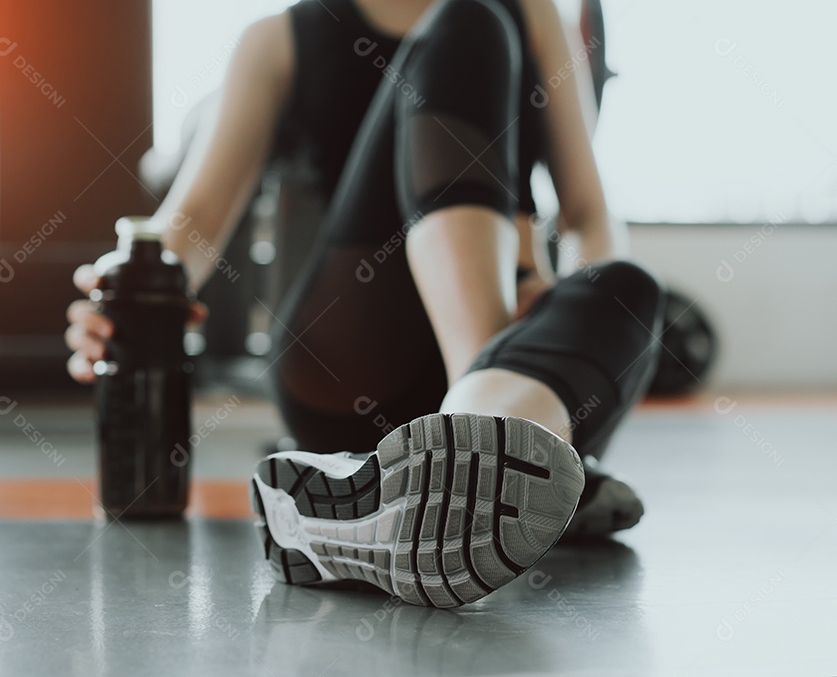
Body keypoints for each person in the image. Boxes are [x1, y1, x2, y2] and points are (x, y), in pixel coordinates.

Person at [65, 0, 664, 608]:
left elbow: (588, 214)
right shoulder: (278, 38)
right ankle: (492, 448)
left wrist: (561, 287)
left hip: (514, 325)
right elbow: (192, 223)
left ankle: (441, 469)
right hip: (357, 360)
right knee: (469, 22)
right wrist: (117, 296)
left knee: (625, 285)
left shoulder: (535, 13)